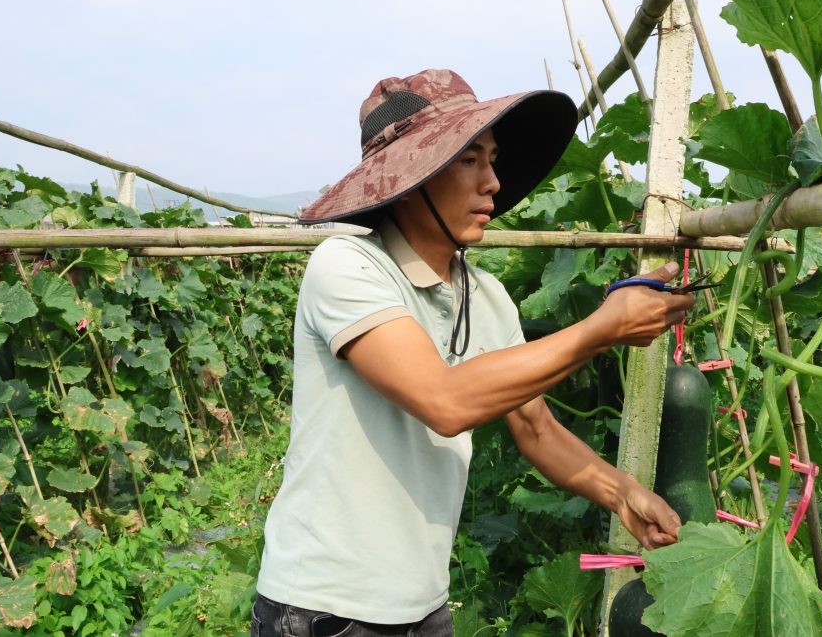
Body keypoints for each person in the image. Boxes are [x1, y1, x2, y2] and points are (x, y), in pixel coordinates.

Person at [253, 70, 694, 637]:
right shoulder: (347, 266)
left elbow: (536, 429)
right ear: (413, 178)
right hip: (324, 609)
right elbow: (443, 400)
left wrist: (623, 493)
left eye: (493, 159)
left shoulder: (485, 296)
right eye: (469, 160)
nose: (493, 182)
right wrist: (602, 329)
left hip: (425, 605)